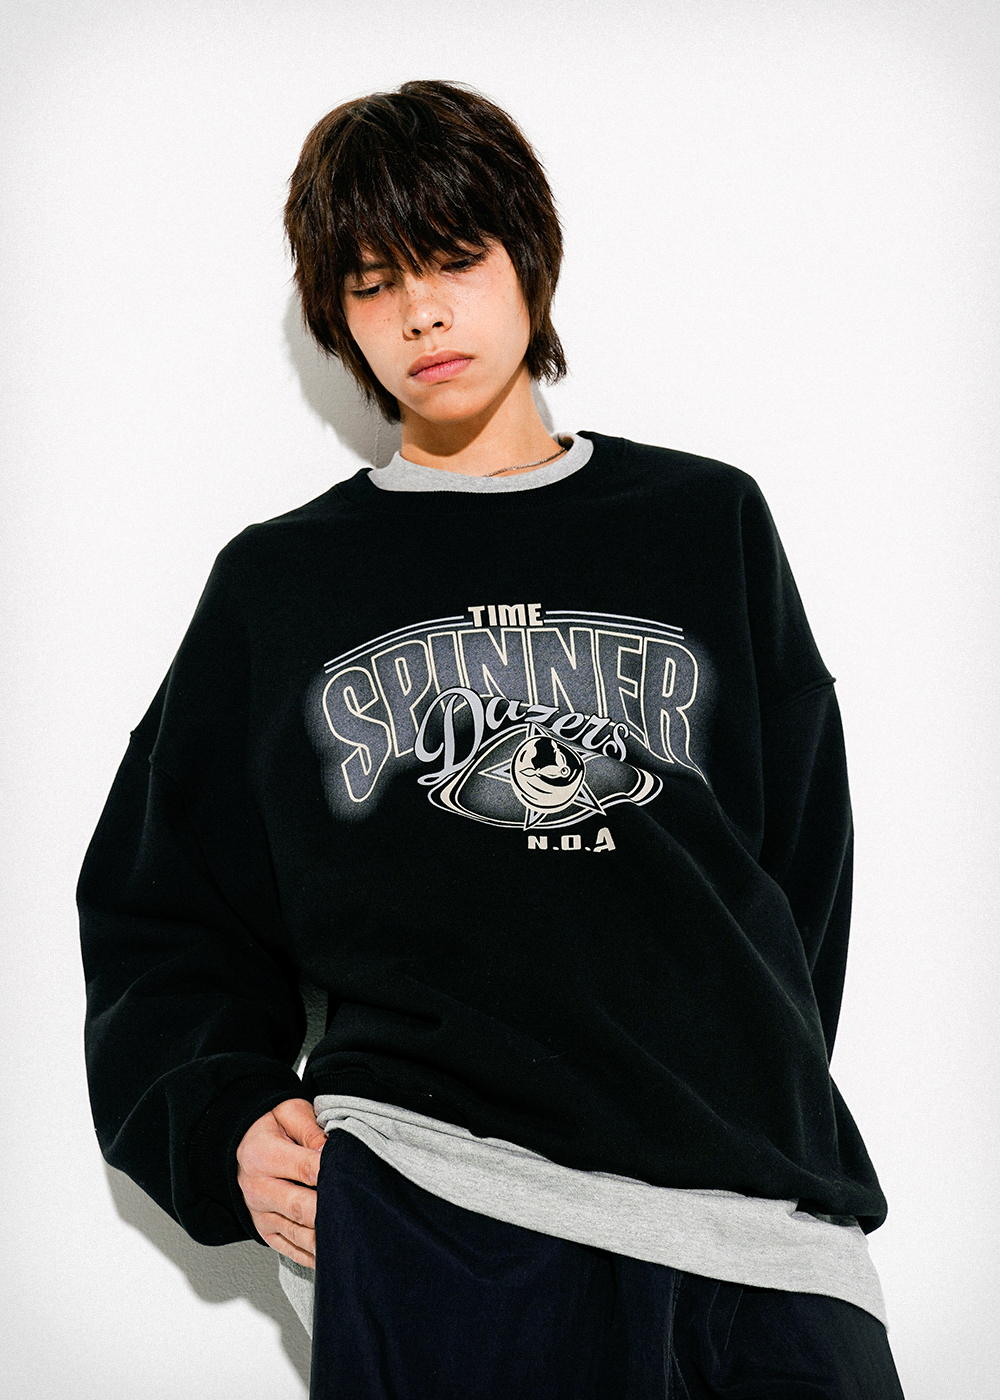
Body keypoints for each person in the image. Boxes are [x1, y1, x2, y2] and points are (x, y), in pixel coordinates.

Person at [79, 79, 906, 1397]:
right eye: (371, 282)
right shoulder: (282, 586)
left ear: (528, 257)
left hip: (756, 1224)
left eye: (454, 258)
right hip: (435, 1211)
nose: (420, 311)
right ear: (338, 316)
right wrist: (218, 1117)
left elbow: (800, 869)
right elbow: (160, 907)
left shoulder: (704, 524)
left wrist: (749, 1079)